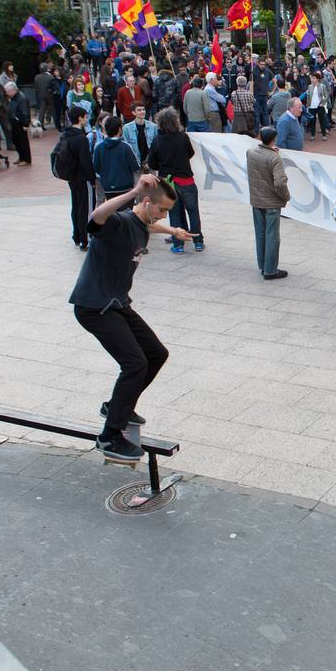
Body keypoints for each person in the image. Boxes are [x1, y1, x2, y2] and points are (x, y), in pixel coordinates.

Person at [71, 174, 190, 463]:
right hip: (94, 306)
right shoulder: (119, 223)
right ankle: (109, 436)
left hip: (117, 304)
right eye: (162, 209)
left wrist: (172, 229)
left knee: (156, 354)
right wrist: (134, 190)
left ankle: (116, 406)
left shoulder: (143, 222)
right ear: (146, 202)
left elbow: (151, 223)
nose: (162, 215)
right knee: (135, 363)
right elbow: (97, 215)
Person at [147, 107, 203, 254]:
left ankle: (178, 245)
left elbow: (152, 163)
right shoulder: (183, 137)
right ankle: (198, 242)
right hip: (186, 180)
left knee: (174, 213)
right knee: (193, 211)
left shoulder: (157, 140)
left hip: (168, 183)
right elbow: (191, 153)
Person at [247, 126, 290, 280]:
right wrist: (286, 197)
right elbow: (279, 183)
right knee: (272, 235)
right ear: (273, 140)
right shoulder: (274, 158)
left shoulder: (251, 152)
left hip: (257, 199)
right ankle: (270, 270)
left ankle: (263, 265)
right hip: (271, 202)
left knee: (260, 233)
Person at [61, 106, 97, 250]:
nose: (86, 119)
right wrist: (92, 179)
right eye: (85, 116)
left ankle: (76, 235)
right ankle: (84, 239)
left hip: (71, 176)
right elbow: (86, 162)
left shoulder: (65, 135)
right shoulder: (81, 138)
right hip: (82, 177)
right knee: (84, 207)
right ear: (80, 118)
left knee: (75, 205)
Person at [92, 115, 141, 199]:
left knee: (112, 211)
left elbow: (96, 167)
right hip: (125, 186)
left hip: (107, 186)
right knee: (126, 211)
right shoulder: (126, 147)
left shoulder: (99, 148)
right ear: (119, 129)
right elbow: (136, 167)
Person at [5, 82, 33, 165]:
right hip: (14, 123)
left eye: (7, 91)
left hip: (20, 123)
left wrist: (26, 124)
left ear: (13, 90)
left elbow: (25, 112)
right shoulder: (14, 98)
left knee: (23, 142)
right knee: (16, 141)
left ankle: (26, 159)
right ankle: (21, 157)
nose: (6, 93)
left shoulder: (22, 98)